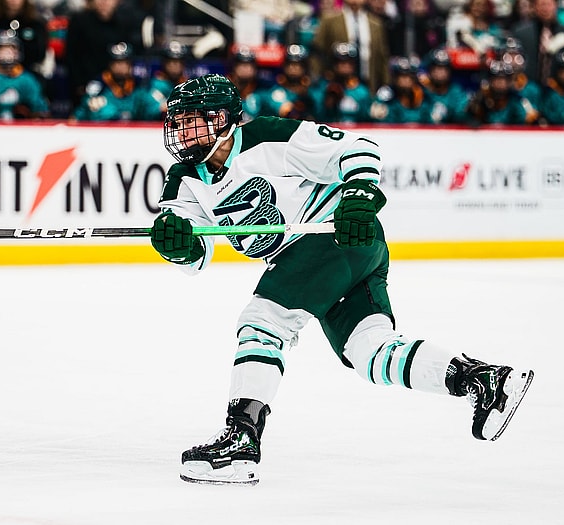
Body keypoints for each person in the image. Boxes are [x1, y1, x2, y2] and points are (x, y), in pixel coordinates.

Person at [150, 73, 535, 485]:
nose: (181, 131)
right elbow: (194, 253)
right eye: (178, 122)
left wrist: (360, 195)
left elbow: (357, 148)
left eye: (193, 120)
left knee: (263, 322)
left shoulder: (268, 137)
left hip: (335, 235)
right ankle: (483, 379)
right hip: (333, 261)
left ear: (224, 119)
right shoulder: (182, 179)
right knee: (372, 353)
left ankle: (242, 439)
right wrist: (177, 243)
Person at [312, 0, 391, 94]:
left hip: (368, 80)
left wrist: (386, 84)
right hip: (337, 84)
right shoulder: (330, 20)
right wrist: (319, 77)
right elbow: (317, 51)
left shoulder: (376, 23)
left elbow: (382, 57)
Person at [71, 41, 148, 121]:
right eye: (117, 63)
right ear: (110, 65)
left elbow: (148, 108)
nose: (120, 67)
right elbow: (83, 109)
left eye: (124, 63)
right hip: (106, 129)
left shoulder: (138, 83)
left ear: (130, 65)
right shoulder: (99, 83)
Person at [0, 29, 49, 120]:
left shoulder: (27, 79)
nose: (7, 52)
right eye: (2, 49)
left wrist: (31, 113)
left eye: (12, 48)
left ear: (18, 52)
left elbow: (39, 108)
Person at [510, 0, 564, 86]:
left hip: (557, 89)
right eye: (542, 5)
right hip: (527, 86)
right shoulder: (520, 33)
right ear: (534, 7)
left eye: (548, 5)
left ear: (556, 6)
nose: (545, 9)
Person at [243, 44, 319, 121]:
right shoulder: (277, 91)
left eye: (297, 64)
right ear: (284, 66)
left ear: (304, 67)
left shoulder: (314, 90)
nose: (293, 68)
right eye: (290, 64)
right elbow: (287, 112)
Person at [465, 59, 538, 125]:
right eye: (496, 79)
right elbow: (467, 118)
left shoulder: (517, 100)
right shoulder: (482, 98)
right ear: (490, 81)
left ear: (509, 82)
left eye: (503, 80)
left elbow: (527, 120)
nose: (500, 83)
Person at [317, 41, 373, 122]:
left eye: (349, 62)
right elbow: (316, 117)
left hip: (354, 132)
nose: (346, 66)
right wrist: (328, 103)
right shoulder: (322, 87)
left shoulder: (362, 92)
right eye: (341, 62)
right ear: (334, 64)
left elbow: (366, 119)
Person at [419, 47, 471, 124]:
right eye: (437, 69)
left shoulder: (457, 92)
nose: (441, 73)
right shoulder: (421, 93)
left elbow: (461, 115)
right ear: (430, 71)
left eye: (444, 69)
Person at [141, 40, 190, 121]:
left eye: (178, 62)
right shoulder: (153, 85)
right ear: (164, 63)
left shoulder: (189, 86)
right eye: (171, 62)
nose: (175, 66)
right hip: (156, 128)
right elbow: (145, 113)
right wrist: (161, 108)